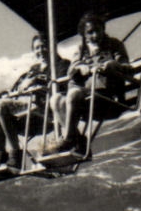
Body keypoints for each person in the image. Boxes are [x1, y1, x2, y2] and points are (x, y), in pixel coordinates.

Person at [53, 14, 133, 153]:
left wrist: (113, 65)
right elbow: (71, 69)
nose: (95, 35)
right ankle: (78, 141)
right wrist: (80, 67)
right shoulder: (81, 50)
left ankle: (69, 139)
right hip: (87, 99)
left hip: (106, 98)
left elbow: (126, 67)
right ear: (84, 35)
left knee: (73, 94)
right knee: (55, 99)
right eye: (90, 32)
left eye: (98, 30)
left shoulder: (114, 45)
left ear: (103, 29)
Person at [0, 38, 48, 171]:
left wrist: (37, 82)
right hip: (24, 112)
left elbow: (60, 86)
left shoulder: (58, 65)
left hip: (42, 111)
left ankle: (15, 154)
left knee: (1, 106)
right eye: (37, 48)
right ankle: (1, 154)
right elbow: (13, 90)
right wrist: (2, 95)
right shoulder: (30, 72)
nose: (41, 50)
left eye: (44, 46)